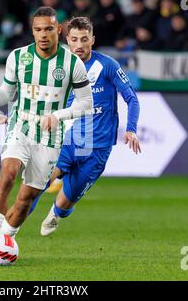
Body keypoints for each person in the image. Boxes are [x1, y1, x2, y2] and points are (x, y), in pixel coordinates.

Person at [0, 7, 93, 262]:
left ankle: (1, 242)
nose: (43, 35)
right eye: (38, 30)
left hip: (50, 137)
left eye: (49, 29)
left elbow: (85, 104)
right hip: (21, 126)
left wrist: (57, 116)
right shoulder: (18, 57)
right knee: (7, 175)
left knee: (26, 198)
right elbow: (6, 93)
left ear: (58, 30)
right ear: (32, 31)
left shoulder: (72, 63)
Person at [39, 17, 141, 236]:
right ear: (67, 40)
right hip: (68, 140)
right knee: (39, 182)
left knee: (65, 202)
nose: (79, 45)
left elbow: (131, 99)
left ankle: (57, 212)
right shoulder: (59, 67)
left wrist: (131, 128)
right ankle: (6, 233)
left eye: (84, 39)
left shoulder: (108, 65)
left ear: (92, 40)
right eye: (74, 39)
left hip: (97, 149)